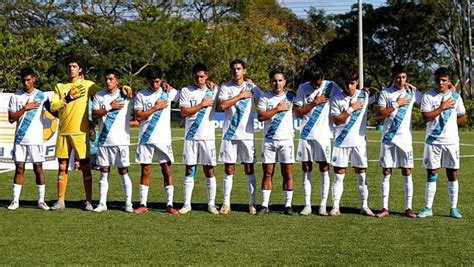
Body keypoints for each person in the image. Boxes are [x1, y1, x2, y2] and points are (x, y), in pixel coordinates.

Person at [49, 56, 132, 211]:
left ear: (80, 69)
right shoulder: (60, 86)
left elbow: (106, 91)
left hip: (81, 132)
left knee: (85, 167)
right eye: (69, 66)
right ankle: (61, 201)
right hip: (63, 132)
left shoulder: (88, 85)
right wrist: (66, 98)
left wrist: (124, 88)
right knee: (62, 166)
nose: (71, 69)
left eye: (74, 66)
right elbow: (53, 106)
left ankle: (88, 201)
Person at [417, 67, 466, 219]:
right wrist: (442, 107)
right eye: (438, 79)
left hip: (451, 142)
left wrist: (449, 125)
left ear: (448, 81)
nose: (440, 83)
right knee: (432, 173)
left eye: (444, 80)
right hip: (433, 142)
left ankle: (453, 208)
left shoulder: (456, 97)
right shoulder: (428, 96)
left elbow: (463, 118)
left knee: (452, 173)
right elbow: (425, 117)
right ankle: (427, 208)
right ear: (435, 79)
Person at [293, 65, 342, 216]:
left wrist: (365, 91)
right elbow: (298, 112)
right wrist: (314, 102)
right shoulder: (302, 88)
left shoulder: (331, 86)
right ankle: (307, 205)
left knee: (324, 169)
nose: (317, 84)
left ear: (323, 77)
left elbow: (346, 94)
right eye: (314, 82)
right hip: (306, 135)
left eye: (319, 81)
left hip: (324, 135)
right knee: (306, 169)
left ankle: (322, 205)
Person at [329, 69, 377, 217]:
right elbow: (336, 120)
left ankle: (364, 206)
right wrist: (351, 108)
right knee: (339, 176)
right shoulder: (337, 98)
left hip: (358, 143)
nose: (350, 87)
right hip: (341, 142)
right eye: (347, 83)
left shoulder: (364, 95)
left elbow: (382, 95)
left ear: (357, 83)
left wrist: (372, 89)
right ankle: (335, 207)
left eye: (352, 83)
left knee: (361, 175)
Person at [376, 64, 422, 218]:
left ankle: (408, 208)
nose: (401, 80)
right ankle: (384, 207)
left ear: (406, 77)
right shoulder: (385, 93)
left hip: (405, 140)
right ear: (392, 77)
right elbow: (381, 114)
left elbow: (428, 99)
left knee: (407, 171)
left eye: (403, 77)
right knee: (386, 171)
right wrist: (397, 104)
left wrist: (451, 88)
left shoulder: (411, 93)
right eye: (398, 77)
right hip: (388, 139)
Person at [217, 59, 262, 215]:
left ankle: (252, 203)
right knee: (229, 168)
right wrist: (240, 96)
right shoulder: (225, 87)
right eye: (234, 69)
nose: (236, 71)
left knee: (249, 169)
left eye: (239, 69)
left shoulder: (252, 87)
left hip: (247, 135)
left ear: (244, 71)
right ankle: (226, 203)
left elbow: (264, 100)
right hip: (229, 134)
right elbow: (222, 106)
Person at [133, 66, 180, 215]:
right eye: (152, 82)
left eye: (158, 81)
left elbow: (184, 96)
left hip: (163, 138)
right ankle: (143, 204)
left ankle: (170, 204)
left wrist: (210, 84)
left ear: (162, 80)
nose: (155, 85)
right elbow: (139, 116)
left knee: (166, 170)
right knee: (145, 170)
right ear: (147, 81)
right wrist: (155, 107)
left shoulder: (168, 92)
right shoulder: (141, 95)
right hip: (146, 138)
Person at [7, 67, 50, 210]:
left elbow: (53, 110)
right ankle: (15, 200)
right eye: (24, 80)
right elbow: (11, 119)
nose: (26, 83)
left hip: (36, 139)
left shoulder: (41, 96)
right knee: (19, 169)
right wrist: (25, 108)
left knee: (38, 168)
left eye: (28, 80)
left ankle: (41, 200)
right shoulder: (15, 96)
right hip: (20, 139)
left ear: (34, 79)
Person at [178, 63, 219, 215]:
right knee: (189, 169)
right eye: (196, 77)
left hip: (207, 138)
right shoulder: (186, 91)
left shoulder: (214, 90)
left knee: (209, 170)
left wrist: (248, 82)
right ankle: (187, 204)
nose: (199, 79)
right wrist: (202, 105)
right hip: (191, 137)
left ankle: (211, 204)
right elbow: (183, 112)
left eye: (202, 76)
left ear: (207, 76)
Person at [91, 69, 133, 213]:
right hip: (103, 140)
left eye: (111, 79)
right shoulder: (99, 96)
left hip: (120, 141)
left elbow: (143, 94)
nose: (108, 82)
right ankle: (102, 203)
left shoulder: (126, 95)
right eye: (106, 79)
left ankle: (128, 203)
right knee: (103, 171)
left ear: (117, 80)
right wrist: (110, 107)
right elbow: (95, 114)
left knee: (123, 171)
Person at [256, 68, 295, 216]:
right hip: (269, 141)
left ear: (284, 82)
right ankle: (264, 205)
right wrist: (278, 109)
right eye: (274, 80)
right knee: (267, 173)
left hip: (286, 141)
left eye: (280, 80)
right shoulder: (265, 98)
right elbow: (261, 116)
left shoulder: (291, 96)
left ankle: (288, 206)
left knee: (287, 173)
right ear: (270, 81)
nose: (277, 83)